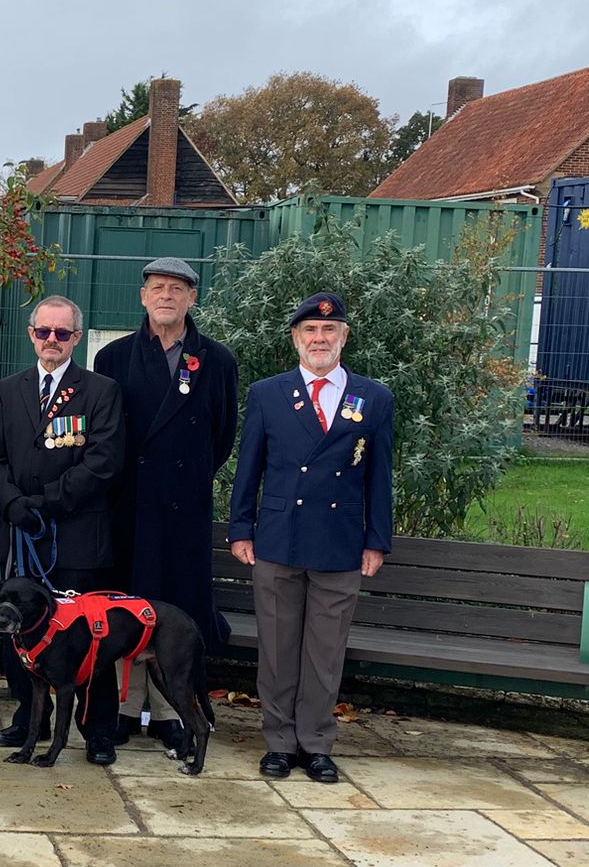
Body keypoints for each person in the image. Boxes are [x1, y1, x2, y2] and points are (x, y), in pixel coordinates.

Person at [226, 291, 393, 783]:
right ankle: (279, 742)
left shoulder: (373, 398)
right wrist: (241, 528)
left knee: (325, 653)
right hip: (279, 538)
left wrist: (376, 540)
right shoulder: (268, 393)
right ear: (295, 339)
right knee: (278, 651)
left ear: (344, 337)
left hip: (340, 543)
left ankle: (316, 744)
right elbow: (249, 468)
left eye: (329, 330)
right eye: (310, 331)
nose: (319, 339)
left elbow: (380, 476)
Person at [94, 256, 239, 755]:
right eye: (157, 288)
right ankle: (124, 707)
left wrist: (187, 480)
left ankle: (169, 712)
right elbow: (107, 434)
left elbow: (221, 437)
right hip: (130, 505)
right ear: (143, 296)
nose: (166, 297)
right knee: (127, 605)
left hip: (183, 509)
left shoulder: (217, 360)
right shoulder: (113, 358)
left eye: (177, 289)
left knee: (177, 607)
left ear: (192, 298)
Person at [0, 294, 126, 765]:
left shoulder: (101, 391)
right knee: (24, 634)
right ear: (31, 334)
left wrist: (43, 503)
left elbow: (103, 462)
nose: (52, 340)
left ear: (76, 338)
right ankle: (30, 718)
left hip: (77, 536)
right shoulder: (9, 389)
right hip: (23, 536)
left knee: (89, 640)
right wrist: (12, 504)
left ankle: (98, 731)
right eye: (43, 331)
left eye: (62, 333)